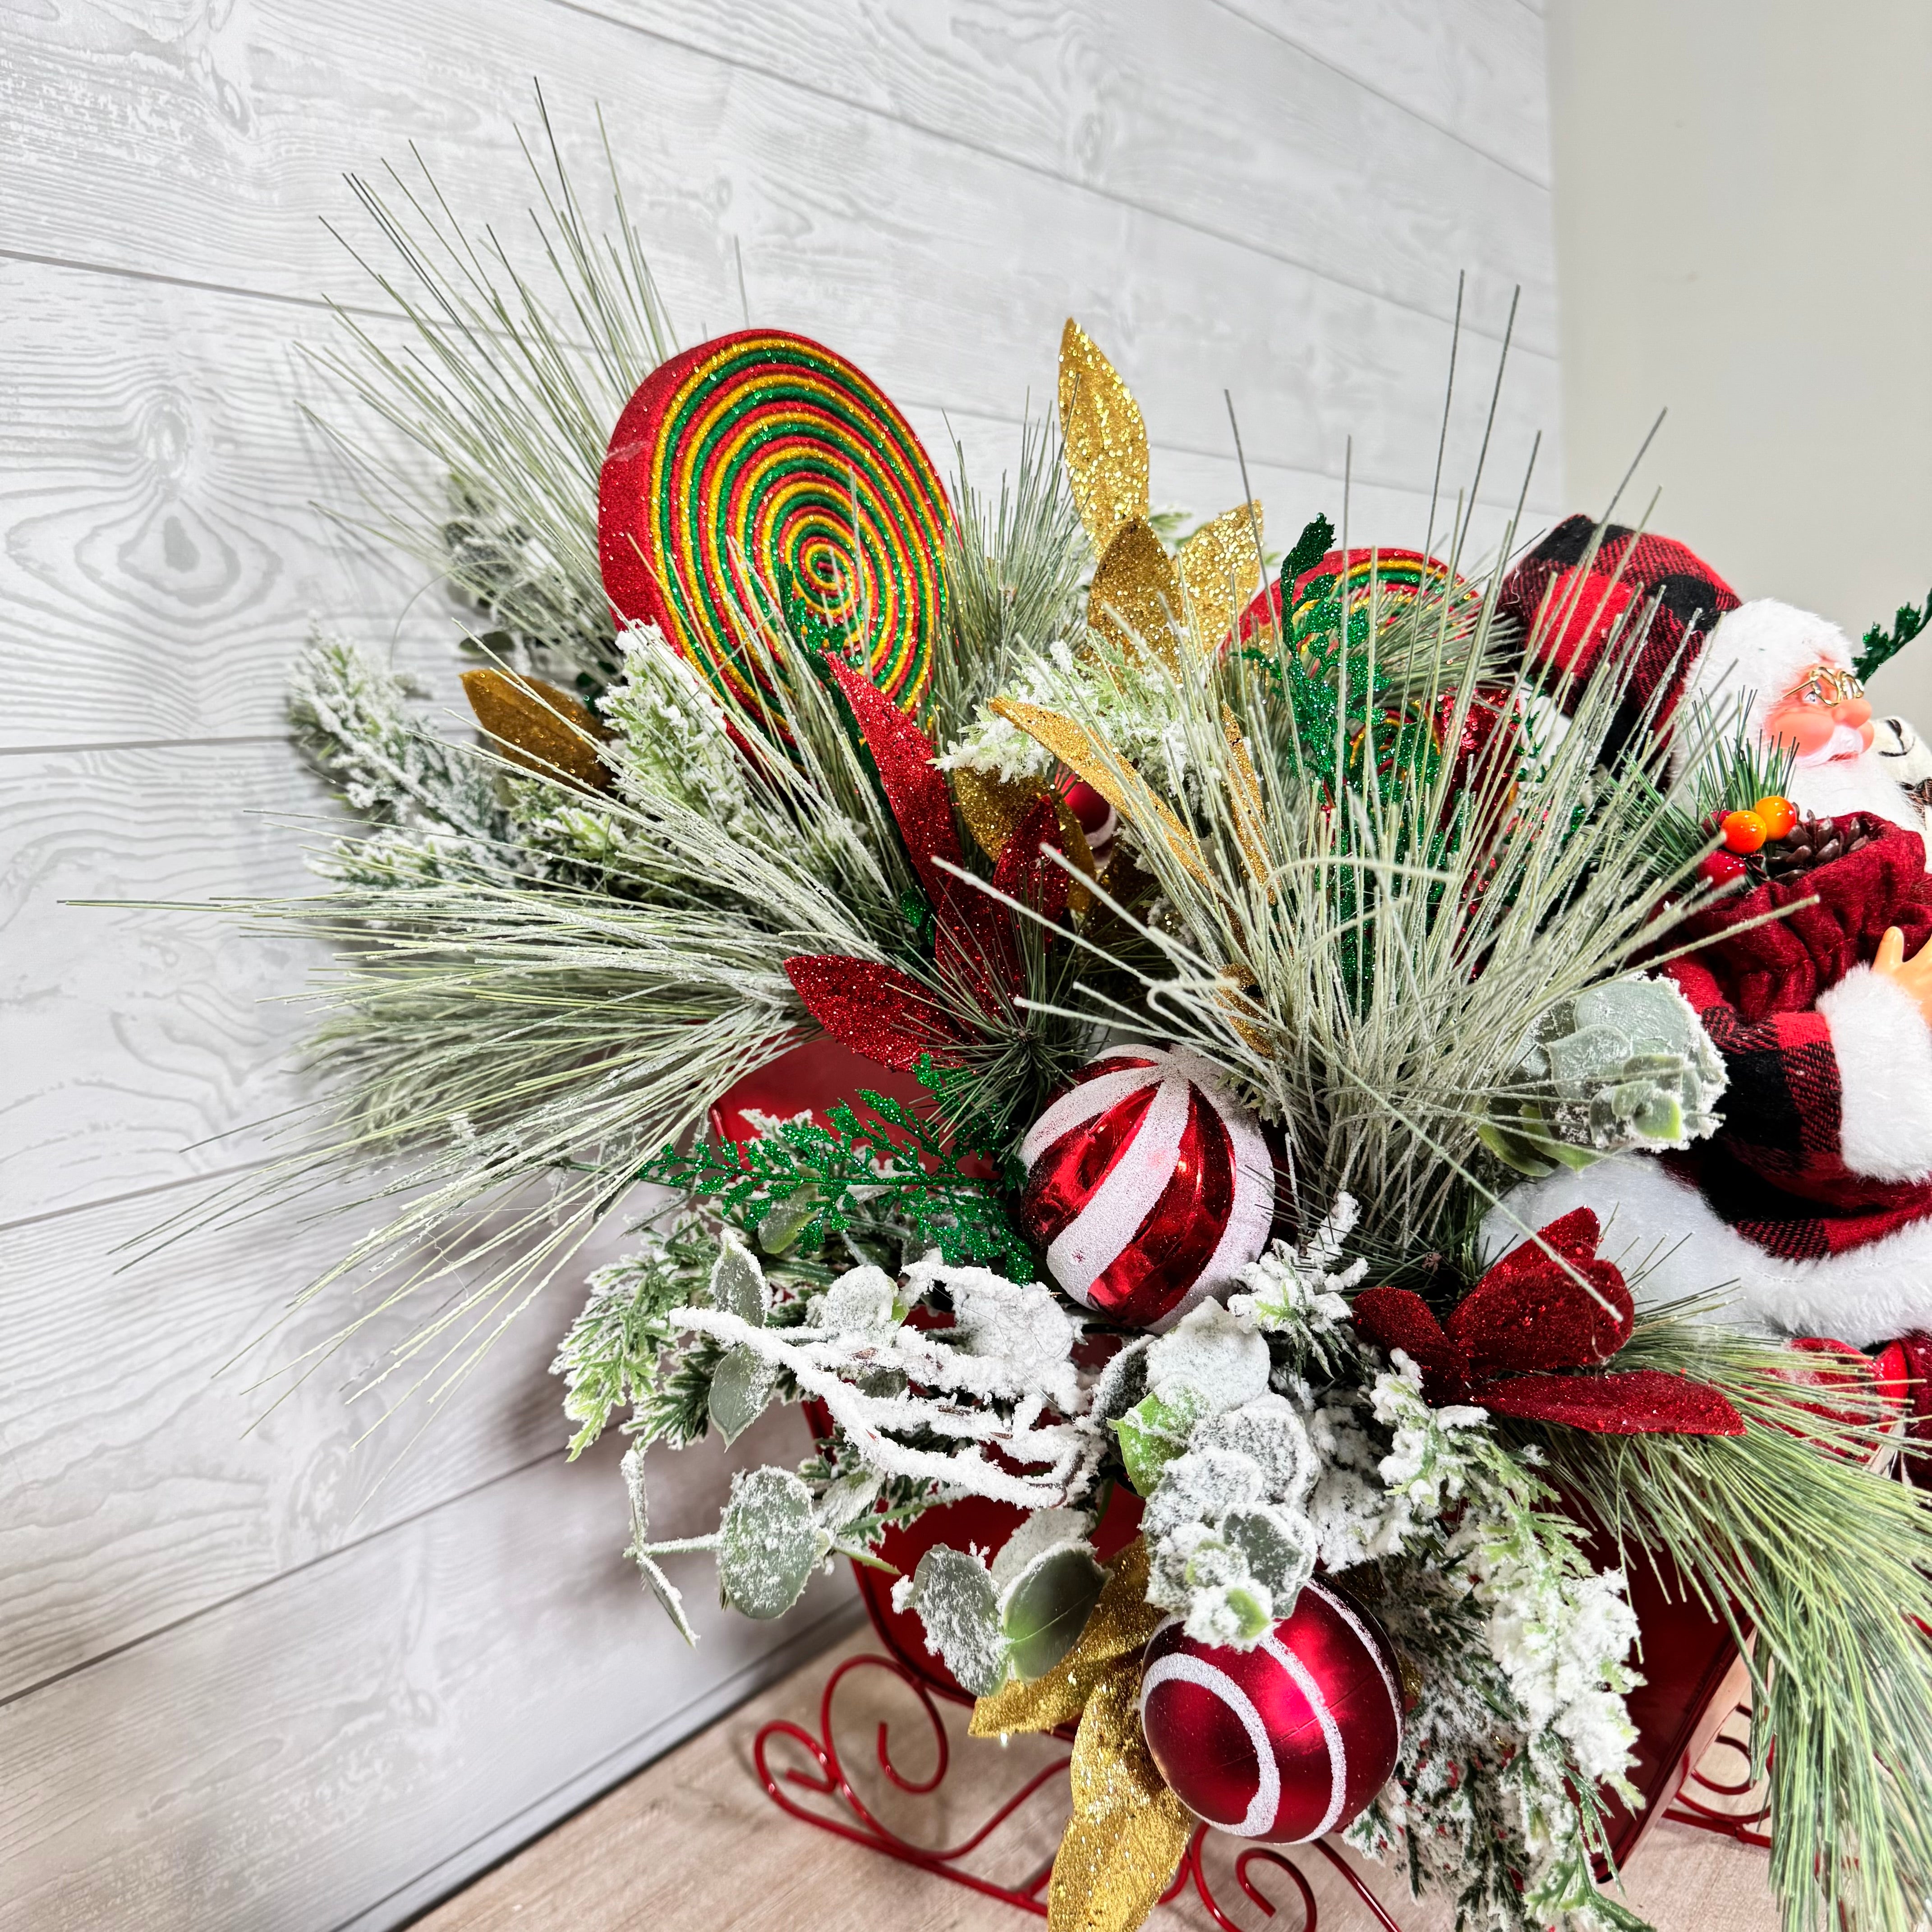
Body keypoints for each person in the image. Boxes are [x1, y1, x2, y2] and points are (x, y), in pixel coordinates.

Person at [1481, 518, 1932, 1344]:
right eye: (1812, 697)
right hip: (1802, 1261)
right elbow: (1697, 1078)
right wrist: (1882, 1040)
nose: (1856, 719)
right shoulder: (1694, 913)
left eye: (1846, 687)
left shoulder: (1896, 841)